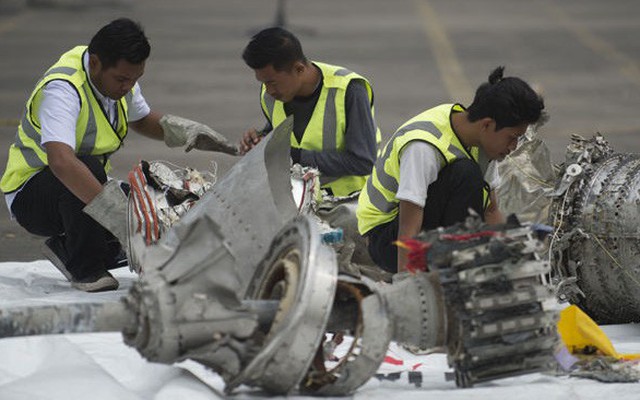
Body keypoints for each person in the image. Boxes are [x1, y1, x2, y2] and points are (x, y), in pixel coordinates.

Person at [0, 18, 236, 292]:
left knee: (154, 203)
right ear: (96, 63)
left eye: (135, 80)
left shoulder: (118, 78)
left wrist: (188, 132)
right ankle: (85, 269)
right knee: (97, 181)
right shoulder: (63, 89)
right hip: (32, 197)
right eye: (123, 79)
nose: (128, 87)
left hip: (81, 184)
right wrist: (117, 217)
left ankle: (69, 247)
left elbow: (142, 120)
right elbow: (62, 162)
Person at [357, 67, 545, 273]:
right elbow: (409, 226)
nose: (514, 146)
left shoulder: (481, 141)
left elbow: (491, 209)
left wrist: (513, 260)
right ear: (487, 124)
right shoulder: (423, 147)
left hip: (423, 227)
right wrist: (408, 286)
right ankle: (456, 270)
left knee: (469, 177)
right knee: (465, 173)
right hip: (388, 240)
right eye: (512, 137)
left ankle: (462, 264)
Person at [239, 27, 381, 197]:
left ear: (299, 69)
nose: (268, 90)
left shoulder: (349, 90)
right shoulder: (270, 95)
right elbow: (284, 130)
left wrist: (293, 156)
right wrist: (261, 140)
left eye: (272, 82)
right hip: (299, 199)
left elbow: (363, 161)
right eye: (263, 82)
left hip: (350, 202)